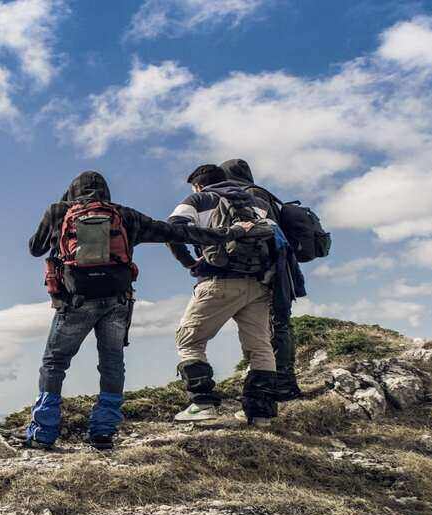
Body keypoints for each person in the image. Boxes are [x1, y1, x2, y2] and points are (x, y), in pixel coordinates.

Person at [23, 170, 250, 451]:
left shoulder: (60, 212)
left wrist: (61, 207)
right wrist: (232, 233)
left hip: (75, 301)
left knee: (55, 363)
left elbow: (35, 248)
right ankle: (103, 433)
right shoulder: (125, 215)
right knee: (112, 363)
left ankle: (43, 433)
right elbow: (176, 231)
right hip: (118, 301)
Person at [167, 164, 280, 426]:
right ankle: (260, 413)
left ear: (198, 185)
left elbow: (173, 230)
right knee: (260, 347)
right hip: (259, 284)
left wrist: (190, 263)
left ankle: (202, 404)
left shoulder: (199, 199)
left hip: (219, 281)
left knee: (189, 341)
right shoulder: (256, 202)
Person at [219, 158, 307, 401]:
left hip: (270, 270)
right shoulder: (263, 193)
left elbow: (260, 232)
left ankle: (282, 385)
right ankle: (284, 383)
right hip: (281, 267)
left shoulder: (249, 195)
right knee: (278, 324)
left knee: (273, 325)